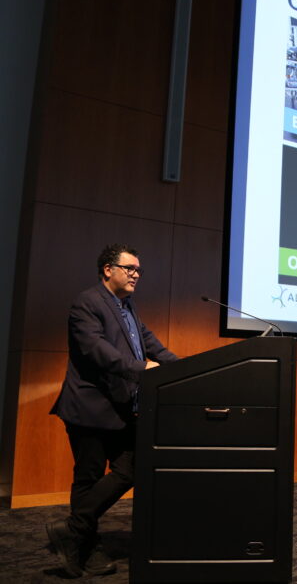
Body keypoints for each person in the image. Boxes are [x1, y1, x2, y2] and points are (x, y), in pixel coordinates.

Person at [47, 244, 178, 577]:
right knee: (88, 477)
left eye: (138, 270)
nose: (136, 275)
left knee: (132, 468)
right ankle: (85, 548)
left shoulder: (127, 307)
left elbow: (151, 344)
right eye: (130, 269)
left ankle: (72, 531)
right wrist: (140, 368)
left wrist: (187, 368)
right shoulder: (87, 303)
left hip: (119, 408)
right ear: (108, 269)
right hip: (89, 408)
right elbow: (96, 351)